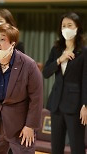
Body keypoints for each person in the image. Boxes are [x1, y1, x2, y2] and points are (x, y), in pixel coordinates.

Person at [0, 23, 43, 154]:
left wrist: (30, 126)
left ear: (12, 43)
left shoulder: (29, 65)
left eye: (2, 39)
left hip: (21, 126)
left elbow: (36, 99)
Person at [43, 12, 87, 154]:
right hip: (56, 104)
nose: (66, 28)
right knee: (56, 147)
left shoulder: (84, 52)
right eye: (63, 26)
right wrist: (59, 60)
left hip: (75, 106)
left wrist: (85, 105)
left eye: (70, 25)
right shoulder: (56, 50)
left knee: (77, 146)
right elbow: (45, 72)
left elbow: (85, 80)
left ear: (77, 28)